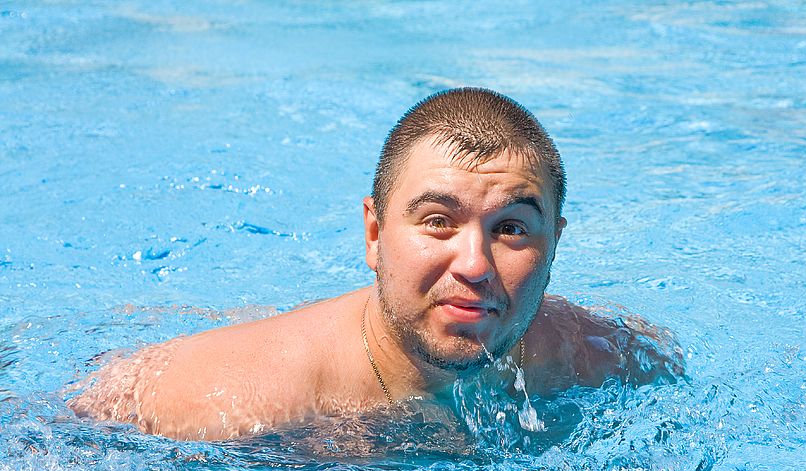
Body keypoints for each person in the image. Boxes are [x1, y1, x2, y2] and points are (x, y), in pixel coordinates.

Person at [68, 87, 683, 442]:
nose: (474, 264)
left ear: (554, 243)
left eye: (512, 229)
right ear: (374, 232)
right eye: (437, 220)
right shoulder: (223, 401)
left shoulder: (597, 355)